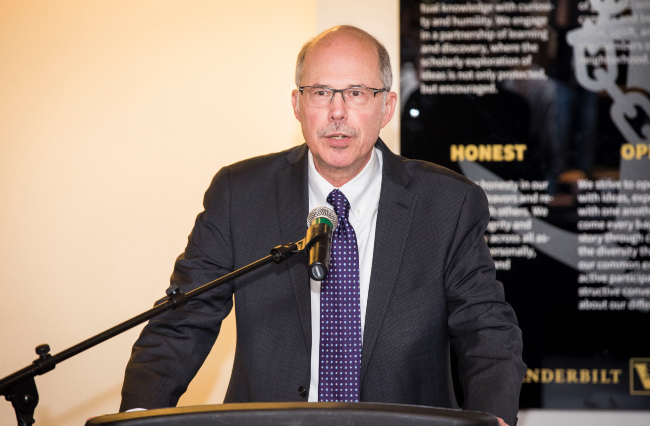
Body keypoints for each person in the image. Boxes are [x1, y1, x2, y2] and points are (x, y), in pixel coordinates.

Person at [120, 25, 525, 426]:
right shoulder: (239, 195)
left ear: (386, 107)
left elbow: (486, 330)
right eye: (321, 93)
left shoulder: (447, 203)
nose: (337, 112)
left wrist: (493, 418)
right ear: (297, 104)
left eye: (356, 93)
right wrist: (138, 414)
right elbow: (183, 319)